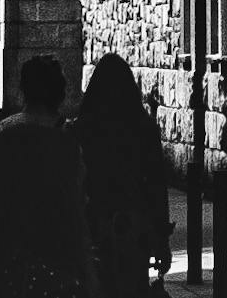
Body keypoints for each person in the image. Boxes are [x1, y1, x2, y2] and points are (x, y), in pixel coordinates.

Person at [0, 55, 98, 298]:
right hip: (58, 251)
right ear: (61, 91)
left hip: (7, 253)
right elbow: (77, 204)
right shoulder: (68, 139)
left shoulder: (5, 133)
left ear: (24, 88)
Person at [75, 54, 172, 298]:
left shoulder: (81, 129)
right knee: (132, 285)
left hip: (93, 223)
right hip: (132, 225)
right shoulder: (143, 128)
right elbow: (156, 185)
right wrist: (161, 237)